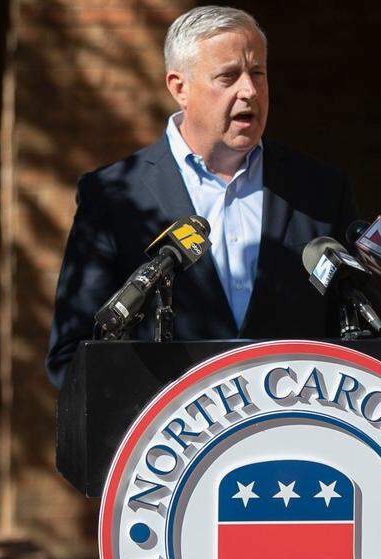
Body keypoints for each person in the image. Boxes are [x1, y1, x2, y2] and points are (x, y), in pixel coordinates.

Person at [45, 5, 359, 387]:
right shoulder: (113, 197)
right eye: (228, 76)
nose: (249, 90)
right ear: (180, 88)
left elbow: (358, 337)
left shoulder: (320, 189)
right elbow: (72, 354)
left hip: (293, 435)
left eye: (257, 73)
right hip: (171, 441)